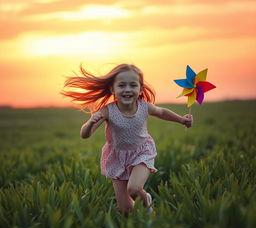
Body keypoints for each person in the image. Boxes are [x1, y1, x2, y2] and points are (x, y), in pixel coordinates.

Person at [62, 63, 193, 216]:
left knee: (134, 189)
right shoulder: (107, 111)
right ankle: (139, 221)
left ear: (140, 89)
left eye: (133, 85)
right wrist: (90, 122)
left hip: (141, 153)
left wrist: (182, 120)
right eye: (122, 85)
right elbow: (85, 135)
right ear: (113, 89)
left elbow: (162, 112)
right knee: (125, 209)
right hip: (117, 158)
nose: (127, 89)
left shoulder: (144, 107)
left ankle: (147, 204)